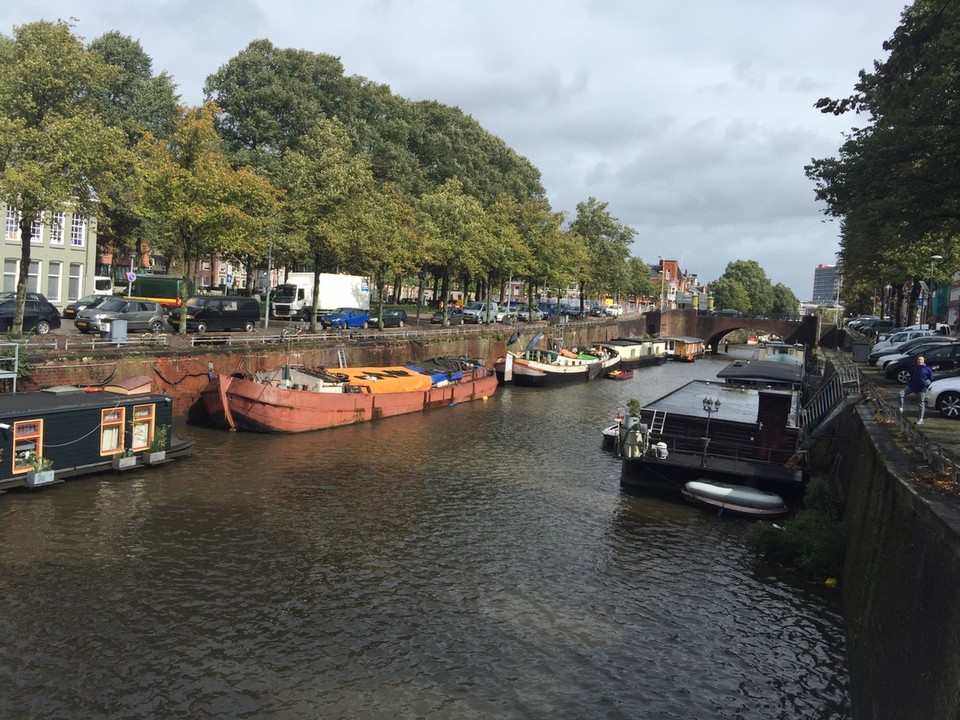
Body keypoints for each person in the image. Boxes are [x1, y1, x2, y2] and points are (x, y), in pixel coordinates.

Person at [898, 355, 935, 425]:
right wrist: (909, 381)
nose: (920, 361)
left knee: (921, 403)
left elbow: (932, 378)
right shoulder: (914, 368)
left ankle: (921, 419)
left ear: (924, 361)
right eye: (919, 360)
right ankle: (901, 408)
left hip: (921, 388)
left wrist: (927, 383)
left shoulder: (927, 369)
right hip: (912, 386)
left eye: (921, 360)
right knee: (901, 394)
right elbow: (911, 376)